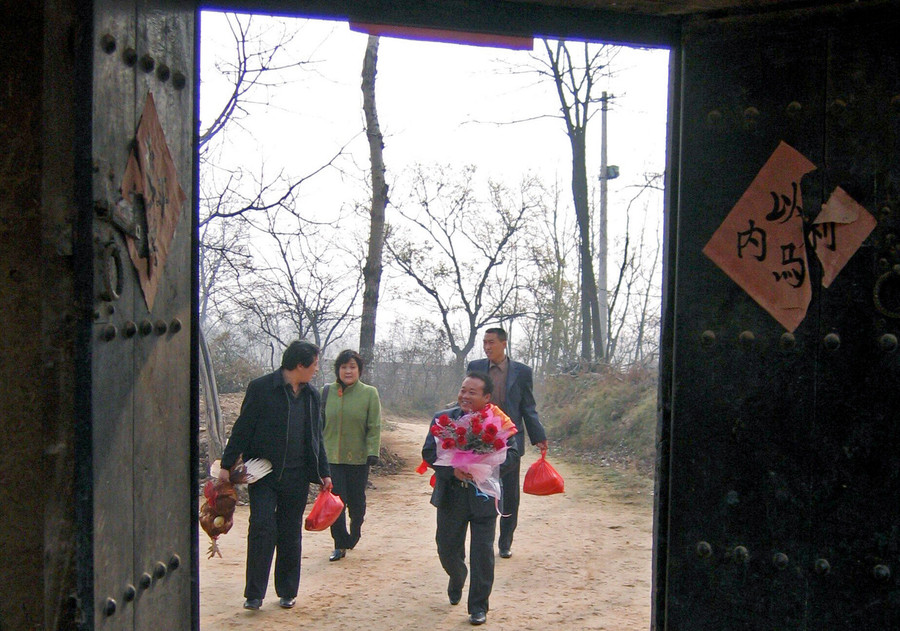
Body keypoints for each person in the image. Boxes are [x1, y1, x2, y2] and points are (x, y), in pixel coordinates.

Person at [219, 340, 332, 611]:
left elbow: (316, 438)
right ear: (300, 365)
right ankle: (254, 594)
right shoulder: (261, 388)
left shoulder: (312, 395)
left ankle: (287, 591)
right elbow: (243, 428)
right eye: (315, 364)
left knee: (290, 532)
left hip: (297, 476)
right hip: (263, 474)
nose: (316, 369)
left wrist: (324, 473)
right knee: (261, 528)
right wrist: (226, 464)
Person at [422, 371, 520, 626]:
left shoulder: (499, 422)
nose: (465, 396)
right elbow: (429, 453)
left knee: (482, 554)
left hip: (483, 497)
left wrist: (483, 467)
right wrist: (452, 470)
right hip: (451, 496)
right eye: (463, 390)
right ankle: (457, 575)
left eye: (472, 392)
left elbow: (513, 455)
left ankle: (478, 606)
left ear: (486, 397)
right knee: (446, 548)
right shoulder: (443, 420)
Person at [467, 327, 547, 559]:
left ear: (504, 343)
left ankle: (505, 542)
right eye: (484, 342)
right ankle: (482, 541)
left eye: (491, 342)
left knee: (509, 495)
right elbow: (467, 400)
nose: (487, 347)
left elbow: (528, 407)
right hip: (479, 440)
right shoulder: (475, 367)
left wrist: (538, 436)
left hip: (509, 441)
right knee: (481, 490)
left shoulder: (521, 372)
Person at [321, 349, 382, 562]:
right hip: (331, 458)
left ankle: (355, 532)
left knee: (357, 502)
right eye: (344, 367)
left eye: (352, 367)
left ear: (359, 370)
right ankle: (339, 543)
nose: (348, 371)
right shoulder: (326, 392)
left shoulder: (369, 393)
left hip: (358, 458)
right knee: (336, 502)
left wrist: (372, 451)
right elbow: (318, 425)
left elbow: (374, 425)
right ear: (337, 369)